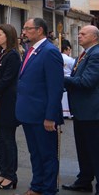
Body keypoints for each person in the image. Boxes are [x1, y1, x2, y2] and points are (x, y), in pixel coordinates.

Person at [16, 18, 63, 195]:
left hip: (42, 115)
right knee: (35, 154)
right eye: (24, 28)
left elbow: (55, 87)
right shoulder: (31, 50)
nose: (24, 32)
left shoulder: (49, 51)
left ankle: (48, 189)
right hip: (28, 113)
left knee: (47, 155)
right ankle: (37, 185)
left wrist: (50, 116)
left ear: (40, 31)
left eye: (28, 29)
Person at [61, 25, 99, 193]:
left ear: (95, 37)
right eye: (79, 33)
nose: (79, 36)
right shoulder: (84, 55)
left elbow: (86, 82)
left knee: (94, 150)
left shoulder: (96, 54)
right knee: (83, 149)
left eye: (83, 34)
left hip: (92, 112)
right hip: (81, 110)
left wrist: (62, 79)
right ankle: (84, 180)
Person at [0, 23, 22, 190]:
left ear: (8, 36)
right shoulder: (0, 53)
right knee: (1, 140)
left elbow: (7, 80)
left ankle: (11, 176)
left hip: (8, 103)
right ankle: (3, 172)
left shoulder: (13, 55)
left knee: (8, 141)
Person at [61, 44, 75, 119]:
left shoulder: (58, 56)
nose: (69, 51)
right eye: (69, 50)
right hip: (68, 77)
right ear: (65, 50)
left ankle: (63, 112)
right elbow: (73, 67)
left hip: (61, 78)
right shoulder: (69, 59)